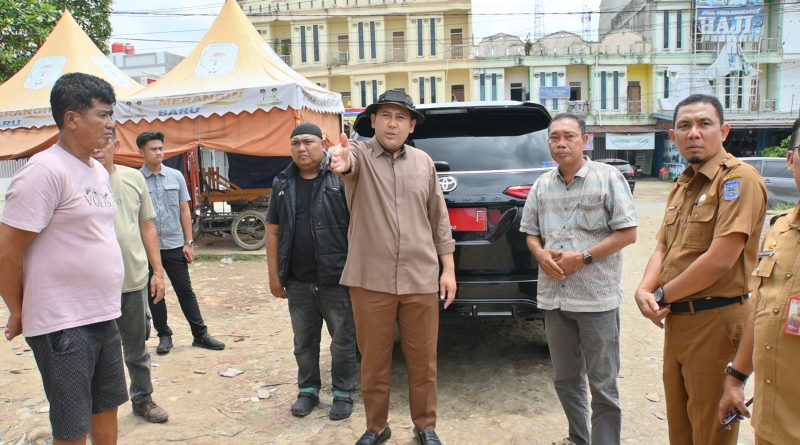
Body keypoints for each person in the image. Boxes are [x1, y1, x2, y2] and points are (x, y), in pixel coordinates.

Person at [0, 72, 128, 445]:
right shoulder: (44, 171)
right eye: (103, 115)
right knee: (72, 427)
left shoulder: (96, 171)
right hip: (63, 323)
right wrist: (17, 308)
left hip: (103, 314)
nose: (111, 123)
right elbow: (7, 250)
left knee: (107, 408)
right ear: (71, 118)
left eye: (111, 114)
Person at [634, 94, 766, 445]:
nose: (694, 132)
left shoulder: (738, 179)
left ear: (724, 131)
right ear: (673, 136)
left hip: (715, 321)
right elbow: (663, 246)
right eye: (684, 126)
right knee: (681, 430)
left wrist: (661, 294)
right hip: (678, 321)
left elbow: (721, 258)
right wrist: (643, 290)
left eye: (704, 124)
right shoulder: (683, 185)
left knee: (710, 433)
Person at [328, 89, 456, 445]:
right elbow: (346, 161)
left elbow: (439, 219)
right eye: (385, 115)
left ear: (412, 126)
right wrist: (340, 158)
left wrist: (448, 270)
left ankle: (425, 425)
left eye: (401, 117)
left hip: (420, 278)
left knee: (423, 360)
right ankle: (376, 427)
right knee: (374, 361)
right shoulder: (360, 155)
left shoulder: (424, 163)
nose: (392, 124)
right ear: (373, 121)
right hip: (371, 279)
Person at [520, 113, 638, 445]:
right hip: (554, 299)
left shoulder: (608, 178)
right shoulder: (542, 185)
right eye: (555, 137)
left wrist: (582, 257)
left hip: (596, 300)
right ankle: (578, 437)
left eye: (569, 136)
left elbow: (628, 233)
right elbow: (530, 233)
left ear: (585, 141)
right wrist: (540, 254)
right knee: (566, 379)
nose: (561, 143)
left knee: (603, 384)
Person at [265, 123, 357, 421]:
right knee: (304, 341)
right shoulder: (282, 182)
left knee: (343, 340)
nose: (301, 148)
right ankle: (307, 390)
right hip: (298, 279)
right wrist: (274, 275)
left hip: (337, 277)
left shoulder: (340, 178)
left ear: (323, 143)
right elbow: (273, 230)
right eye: (295, 143)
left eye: (307, 141)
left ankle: (343, 393)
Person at [718, 117, 800, 444]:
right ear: (791, 159)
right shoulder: (780, 230)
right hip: (772, 422)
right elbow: (763, 307)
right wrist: (736, 378)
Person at [91, 131, 170, 423]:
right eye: (92, 143)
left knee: (137, 348)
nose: (97, 148)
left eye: (103, 142)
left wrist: (157, 272)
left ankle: (143, 399)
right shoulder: (77, 180)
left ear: (116, 145)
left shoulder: (133, 178)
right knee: (96, 351)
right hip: (93, 286)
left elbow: (147, 226)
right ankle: (98, 409)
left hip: (133, 280)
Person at [137, 131, 225, 354]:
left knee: (185, 290)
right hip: (148, 248)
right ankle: (164, 335)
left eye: (161, 148)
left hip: (175, 244)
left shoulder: (175, 176)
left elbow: (185, 210)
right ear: (141, 152)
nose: (159, 152)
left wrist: (189, 242)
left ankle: (200, 334)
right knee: (155, 293)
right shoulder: (136, 180)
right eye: (153, 149)